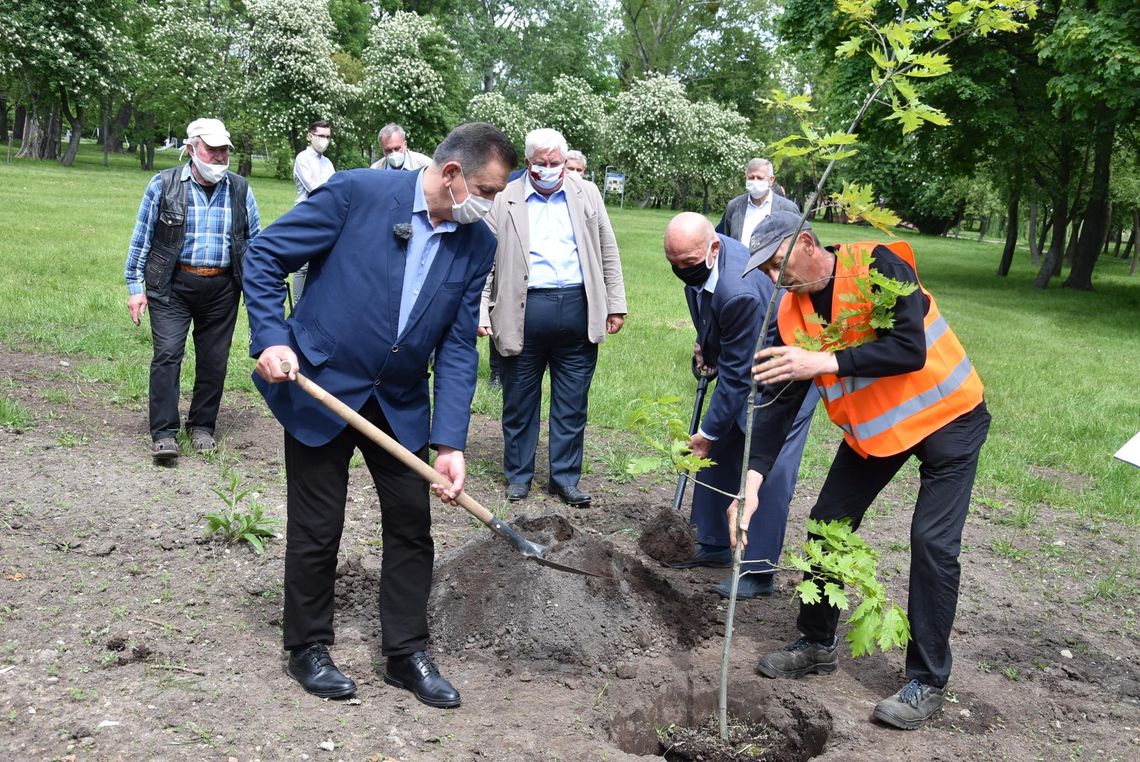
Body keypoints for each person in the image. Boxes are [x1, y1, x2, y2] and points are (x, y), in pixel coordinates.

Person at [242, 122, 517, 707]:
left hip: (398, 400)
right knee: (318, 526)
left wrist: (450, 443)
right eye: (490, 191)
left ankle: (405, 653)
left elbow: (460, 347)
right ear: (451, 174)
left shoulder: (477, 244)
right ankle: (308, 647)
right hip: (321, 383)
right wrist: (269, 337)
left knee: (412, 527)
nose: (494, 204)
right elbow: (265, 255)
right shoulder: (356, 194)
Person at [730, 210, 990, 730]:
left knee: (934, 545)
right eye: (764, 271)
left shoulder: (878, 264)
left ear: (807, 242)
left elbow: (909, 348)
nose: (775, 279)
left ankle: (927, 681)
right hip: (879, 433)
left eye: (779, 264)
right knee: (827, 524)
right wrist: (751, 487)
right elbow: (778, 406)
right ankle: (817, 642)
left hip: (948, 418)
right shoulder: (791, 314)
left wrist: (821, 363)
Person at [662, 213, 817, 599]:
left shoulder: (740, 290)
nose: (682, 272)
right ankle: (714, 541)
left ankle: (757, 568)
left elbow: (737, 378)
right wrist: (707, 346)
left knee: (769, 463)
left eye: (689, 265)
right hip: (746, 360)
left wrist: (705, 433)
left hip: (784, 375)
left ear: (713, 249)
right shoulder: (700, 261)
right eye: (674, 265)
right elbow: (711, 317)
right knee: (724, 442)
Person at [479, 128, 627, 507]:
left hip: (577, 309)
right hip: (521, 312)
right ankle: (518, 476)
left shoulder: (586, 193)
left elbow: (607, 248)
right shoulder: (506, 198)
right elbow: (484, 259)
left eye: (556, 163)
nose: (550, 169)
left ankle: (565, 479)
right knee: (519, 401)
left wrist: (615, 303)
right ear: (528, 163)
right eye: (542, 164)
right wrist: (481, 310)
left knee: (572, 402)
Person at [124, 117, 260, 460]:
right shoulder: (163, 185)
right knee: (168, 354)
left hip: (222, 287)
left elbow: (255, 242)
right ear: (191, 149)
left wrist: (257, 288)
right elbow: (142, 239)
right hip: (172, 284)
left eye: (223, 150)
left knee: (215, 361)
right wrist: (135, 287)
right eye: (211, 149)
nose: (218, 156)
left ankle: (202, 426)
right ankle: (164, 433)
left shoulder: (240, 189)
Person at [291, 120, 335, 300]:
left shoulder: (327, 163)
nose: (324, 140)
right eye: (321, 136)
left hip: (325, 217)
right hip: (306, 216)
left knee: (321, 262)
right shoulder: (303, 158)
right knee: (302, 264)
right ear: (310, 136)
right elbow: (315, 188)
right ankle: (298, 304)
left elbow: (335, 188)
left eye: (327, 137)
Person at [716, 158, 799, 247]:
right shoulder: (734, 206)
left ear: (771, 180)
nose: (755, 181)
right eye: (751, 178)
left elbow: (797, 242)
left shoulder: (787, 208)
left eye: (759, 178)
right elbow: (725, 240)